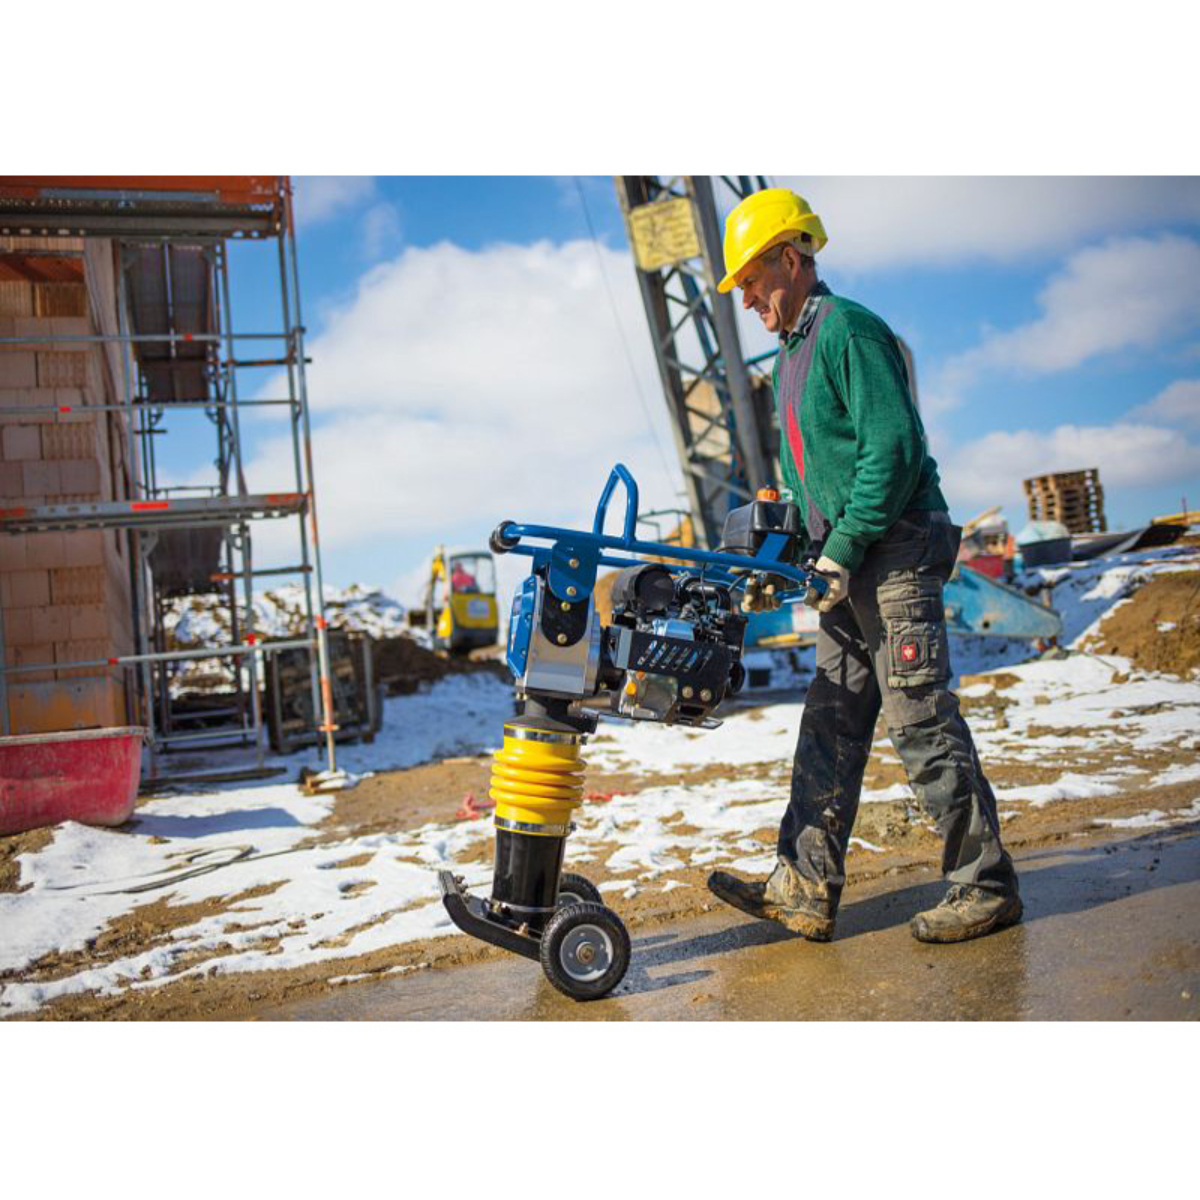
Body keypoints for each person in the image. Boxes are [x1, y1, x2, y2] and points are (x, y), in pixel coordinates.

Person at [707, 188, 1022, 944]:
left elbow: (894, 451)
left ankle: (986, 885)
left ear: (792, 259)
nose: (745, 299)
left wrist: (842, 551)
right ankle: (804, 886)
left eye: (751, 279)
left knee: (918, 717)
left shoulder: (849, 330)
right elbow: (816, 477)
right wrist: (793, 554)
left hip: (897, 549)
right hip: (847, 563)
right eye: (740, 287)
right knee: (830, 720)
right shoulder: (790, 357)